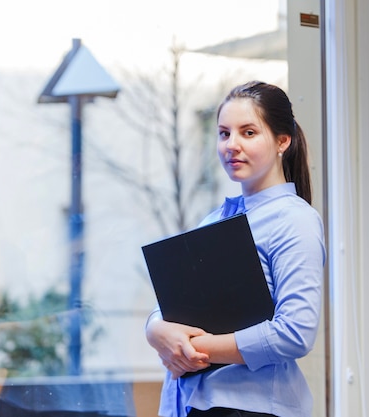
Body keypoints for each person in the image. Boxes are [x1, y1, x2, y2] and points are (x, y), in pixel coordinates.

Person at [145, 81, 326, 417]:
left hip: (248, 409)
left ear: (282, 141)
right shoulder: (212, 221)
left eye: (248, 132)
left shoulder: (295, 219)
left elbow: (295, 333)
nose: (232, 145)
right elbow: (171, 309)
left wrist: (194, 349)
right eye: (224, 133)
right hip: (188, 405)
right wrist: (155, 329)